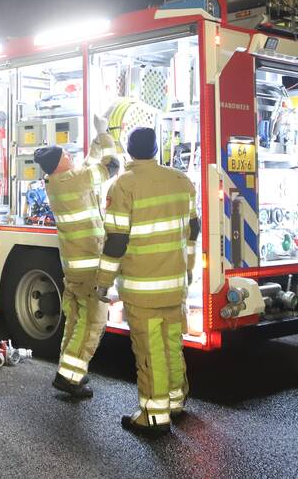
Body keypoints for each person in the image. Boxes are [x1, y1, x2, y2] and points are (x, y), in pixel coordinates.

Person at [97, 127, 199, 437]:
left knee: (150, 349)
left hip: (143, 286)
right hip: (175, 283)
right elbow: (192, 232)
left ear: (128, 151)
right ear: (156, 149)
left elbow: (116, 241)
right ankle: (175, 401)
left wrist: (104, 281)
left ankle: (154, 417)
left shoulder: (123, 185)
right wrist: (188, 270)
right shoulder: (182, 181)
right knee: (171, 344)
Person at [33, 122, 120, 398]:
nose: (71, 156)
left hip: (74, 268)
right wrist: (108, 134)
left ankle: (69, 371)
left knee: (74, 321)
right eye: (66, 156)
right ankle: (70, 376)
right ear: (60, 164)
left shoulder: (60, 181)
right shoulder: (75, 180)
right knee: (93, 321)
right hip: (90, 268)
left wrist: (98, 137)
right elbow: (111, 165)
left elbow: (89, 163)